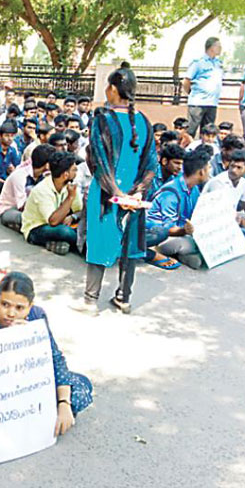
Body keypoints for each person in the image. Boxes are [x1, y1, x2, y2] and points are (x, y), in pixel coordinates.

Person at [0, 272, 93, 436]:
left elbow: (54, 358)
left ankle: (44, 413)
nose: (11, 313)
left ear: (30, 306)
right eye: (5, 304)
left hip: (28, 384)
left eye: (19, 308)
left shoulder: (36, 316)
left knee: (81, 385)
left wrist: (64, 403)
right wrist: (8, 340)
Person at [74, 68, 158, 316]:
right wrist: (138, 193)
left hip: (106, 195)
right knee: (129, 246)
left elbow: (98, 160)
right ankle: (124, 297)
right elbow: (151, 163)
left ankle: (90, 301)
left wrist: (117, 193)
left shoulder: (102, 119)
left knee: (99, 242)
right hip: (135, 197)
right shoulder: (144, 121)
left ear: (112, 88)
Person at [145, 150, 211, 270]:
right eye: (208, 168)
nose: (210, 172)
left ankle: (187, 254)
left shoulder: (194, 189)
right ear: (202, 171)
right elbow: (167, 229)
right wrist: (184, 230)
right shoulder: (171, 193)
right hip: (160, 236)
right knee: (181, 243)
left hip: (183, 232)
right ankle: (182, 252)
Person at [21, 152, 82, 255]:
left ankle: (61, 243)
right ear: (65, 175)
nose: (76, 172)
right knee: (65, 232)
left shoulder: (69, 185)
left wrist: (72, 217)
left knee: (82, 227)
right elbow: (53, 221)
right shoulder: (42, 190)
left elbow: (78, 209)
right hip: (37, 228)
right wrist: (70, 197)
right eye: (74, 170)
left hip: (58, 222)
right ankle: (82, 244)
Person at [0, 143, 53, 233]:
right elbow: (22, 206)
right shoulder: (20, 176)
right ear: (47, 165)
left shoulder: (45, 175)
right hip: (10, 209)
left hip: (32, 209)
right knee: (30, 218)